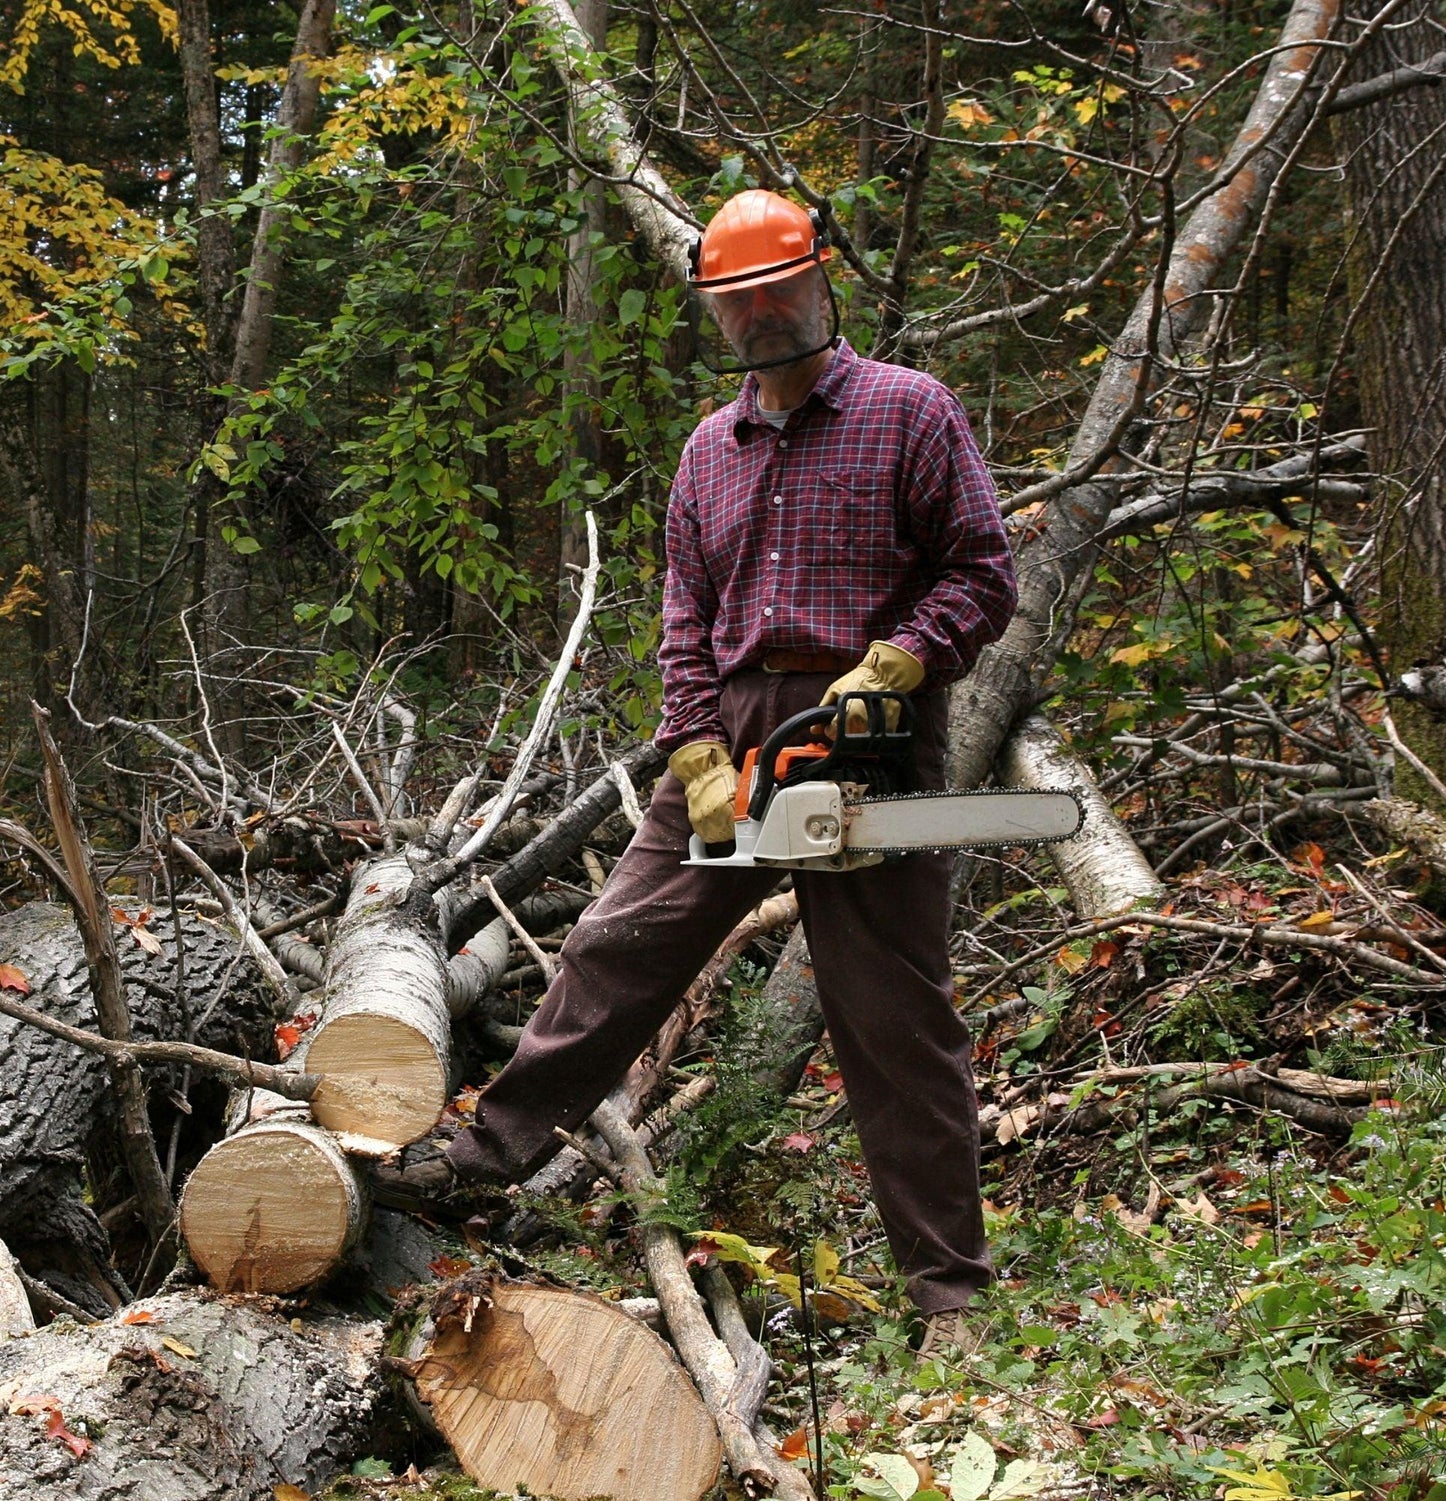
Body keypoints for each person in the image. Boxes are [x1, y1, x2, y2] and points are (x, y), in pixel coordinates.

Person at [387, 189, 1018, 1355]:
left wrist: (903, 658)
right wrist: (694, 742)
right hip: (734, 735)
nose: (763, 317)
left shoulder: (908, 411)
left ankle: (951, 1297)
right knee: (616, 943)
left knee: (891, 1017)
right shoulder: (706, 451)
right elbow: (687, 615)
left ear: (823, 281)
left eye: (780, 292)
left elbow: (983, 569)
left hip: (871, 736)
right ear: (714, 311)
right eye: (739, 302)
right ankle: (476, 1160)